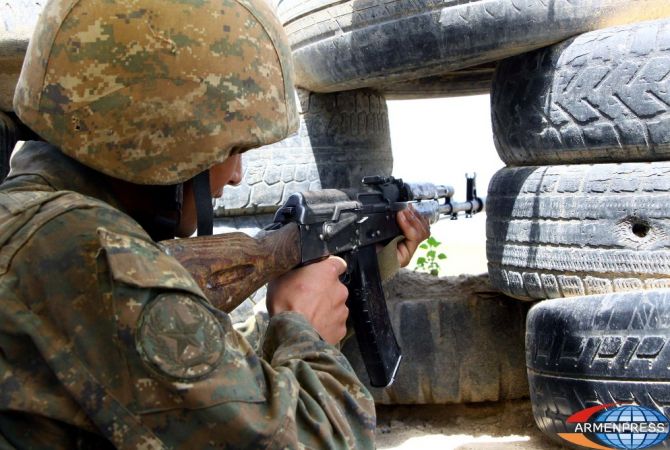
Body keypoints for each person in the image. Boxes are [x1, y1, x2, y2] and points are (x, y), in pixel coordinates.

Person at [0, 0, 430, 448]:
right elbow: (320, 440)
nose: (238, 175)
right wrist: (306, 332)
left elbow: (189, 379)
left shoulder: (33, 224)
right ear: (167, 140)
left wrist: (359, 272)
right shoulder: (92, 258)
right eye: (233, 148)